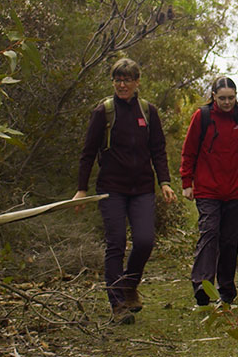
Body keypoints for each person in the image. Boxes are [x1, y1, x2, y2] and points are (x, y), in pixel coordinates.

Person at [74, 58, 177, 324]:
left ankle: (129, 285)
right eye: (118, 80)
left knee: (144, 241)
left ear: (137, 82)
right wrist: (81, 189)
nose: (122, 85)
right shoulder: (104, 111)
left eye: (127, 80)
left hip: (142, 187)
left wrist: (164, 182)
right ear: (113, 82)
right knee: (116, 242)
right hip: (112, 189)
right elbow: (87, 153)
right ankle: (118, 305)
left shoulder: (148, 112)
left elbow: (158, 150)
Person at [179, 77, 238, 307]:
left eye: (231, 98)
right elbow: (189, 150)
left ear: (236, 96)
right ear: (213, 96)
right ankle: (203, 289)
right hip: (207, 188)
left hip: (236, 188)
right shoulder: (202, 117)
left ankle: (227, 292)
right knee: (209, 234)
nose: (226, 102)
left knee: (230, 241)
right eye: (222, 98)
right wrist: (186, 182)